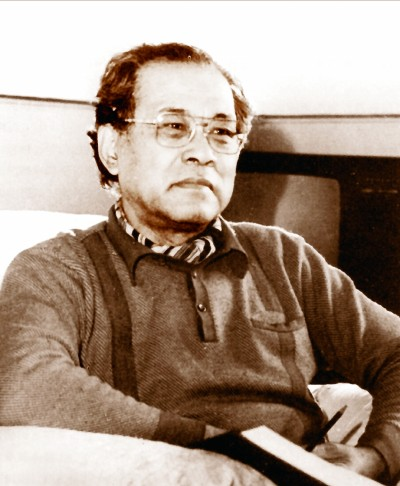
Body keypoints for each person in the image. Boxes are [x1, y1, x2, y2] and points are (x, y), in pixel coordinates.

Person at [0, 42, 399, 485]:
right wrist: (230, 450)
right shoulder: (56, 269)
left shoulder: (284, 256)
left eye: (221, 132)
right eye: (174, 127)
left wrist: (378, 457)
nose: (203, 152)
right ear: (113, 146)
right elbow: (26, 387)